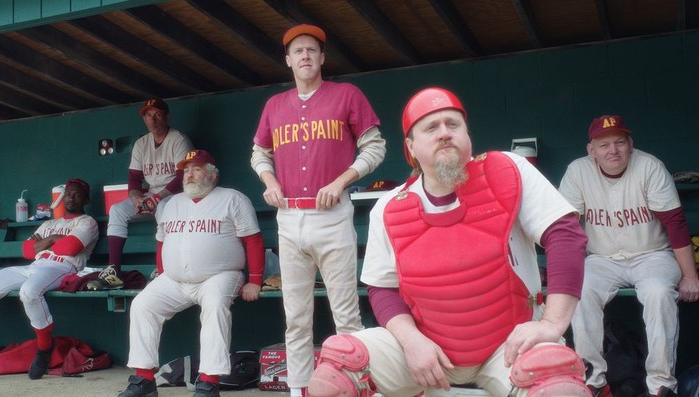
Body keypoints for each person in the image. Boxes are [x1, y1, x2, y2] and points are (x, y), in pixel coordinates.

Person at [307, 87, 591, 397]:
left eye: (453, 124)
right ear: (411, 146)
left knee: (559, 388)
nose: (444, 133)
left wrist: (552, 323)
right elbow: (382, 287)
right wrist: (412, 341)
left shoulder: (508, 171)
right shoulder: (389, 208)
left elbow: (565, 233)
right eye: (431, 127)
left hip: (509, 347)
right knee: (336, 372)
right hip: (427, 350)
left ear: (467, 136)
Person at [250, 24, 386, 397]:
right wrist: (269, 182)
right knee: (296, 317)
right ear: (288, 60)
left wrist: (341, 181)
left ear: (322, 58)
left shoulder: (346, 94)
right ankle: (298, 389)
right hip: (290, 215)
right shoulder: (275, 105)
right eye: (298, 51)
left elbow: (374, 148)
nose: (305, 56)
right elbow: (260, 153)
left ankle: (358, 386)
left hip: (332, 215)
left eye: (312, 50)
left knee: (346, 315)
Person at [558, 115, 699, 397]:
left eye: (620, 142)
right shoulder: (578, 171)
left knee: (659, 293)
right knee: (580, 292)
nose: (613, 150)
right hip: (602, 259)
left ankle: (661, 385)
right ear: (591, 150)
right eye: (604, 144)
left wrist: (690, 275)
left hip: (652, 255)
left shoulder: (649, 167)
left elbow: (675, 223)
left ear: (630, 144)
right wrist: (564, 277)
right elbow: (566, 228)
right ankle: (594, 382)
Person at [118, 149, 265, 397]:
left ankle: (209, 382)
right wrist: (163, 273)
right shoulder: (170, 204)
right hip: (175, 280)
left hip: (220, 275)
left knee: (216, 304)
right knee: (143, 304)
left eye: (196, 169)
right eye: (186, 170)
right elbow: (162, 243)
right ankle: (143, 380)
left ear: (212, 175)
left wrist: (255, 281)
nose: (189, 175)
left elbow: (253, 240)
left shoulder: (232, 198)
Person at [0, 178, 98, 380]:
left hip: (63, 267)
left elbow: (69, 248)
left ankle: (44, 347)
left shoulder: (87, 222)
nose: (71, 198)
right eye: (68, 194)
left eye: (77, 195)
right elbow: (26, 251)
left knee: (29, 292)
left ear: (86, 199)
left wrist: (45, 243)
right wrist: (53, 239)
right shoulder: (50, 223)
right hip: (35, 266)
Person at [87, 98, 194, 290]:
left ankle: (164, 268)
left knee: (163, 207)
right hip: (152, 194)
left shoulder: (179, 140)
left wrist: (157, 198)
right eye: (148, 115)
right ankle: (114, 272)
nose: (152, 119)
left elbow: (182, 178)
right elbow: (134, 177)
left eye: (157, 114)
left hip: (178, 196)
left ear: (167, 117)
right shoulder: (141, 143)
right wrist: (135, 196)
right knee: (117, 210)